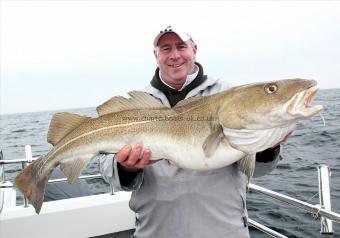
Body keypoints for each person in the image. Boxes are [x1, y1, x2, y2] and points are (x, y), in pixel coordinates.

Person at [99, 25, 283, 238]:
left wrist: (267, 147)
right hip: (156, 231)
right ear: (155, 55)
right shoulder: (137, 105)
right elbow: (106, 166)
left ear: (194, 49)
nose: (175, 55)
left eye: (181, 46)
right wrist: (125, 168)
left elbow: (259, 170)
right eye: (166, 48)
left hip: (224, 230)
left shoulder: (230, 96)